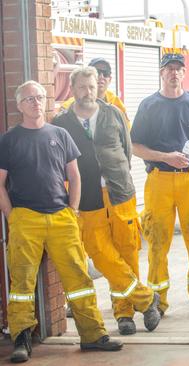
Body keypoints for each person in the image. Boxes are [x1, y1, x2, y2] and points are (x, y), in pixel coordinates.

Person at [0, 81, 123, 363]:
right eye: (29, 98)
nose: (36, 103)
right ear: (19, 105)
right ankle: (21, 339)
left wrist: (73, 210)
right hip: (25, 218)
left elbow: (75, 176)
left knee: (79, 277)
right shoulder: (9, 139)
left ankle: (93, 335)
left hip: (61, 217)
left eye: (40, 97)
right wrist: (13, 216)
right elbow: (0, 184)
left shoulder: (60, 134)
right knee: (21, 282)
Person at [52, 67, 161, 336]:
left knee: (127, 252)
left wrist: (117, 177)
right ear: (72, 89)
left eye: (91, 86)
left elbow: (126, 149)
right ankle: (145, 299)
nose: (87, 92)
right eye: (82, 87)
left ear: (97, 87)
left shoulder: (113, 113)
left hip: (120, 193)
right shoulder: (62, 122)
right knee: (101, 255)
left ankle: (124, 314)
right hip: (87, 197)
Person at [130, 53, 189, 317]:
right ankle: (157, 300)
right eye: (169, 69)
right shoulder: (149, 105)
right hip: (159, 178)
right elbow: (136, 146)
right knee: (158, 240)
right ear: (161, 72)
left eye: (178, 69)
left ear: (184, 73)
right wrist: (164, 157)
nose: (174, 73)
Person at [61, 58, 128, 119]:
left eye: (105, 73)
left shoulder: (117, 104)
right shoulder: (68, 107)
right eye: (97, 72)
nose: (101, 76)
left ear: (110, 79)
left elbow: (127, 129)